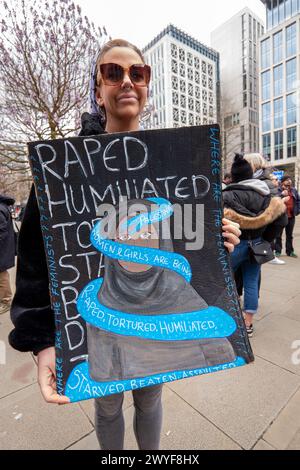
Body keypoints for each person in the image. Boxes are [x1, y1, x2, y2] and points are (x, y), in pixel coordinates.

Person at [9, 39, 241, 450]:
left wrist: (219, 245)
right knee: (108, 406)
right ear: (98, 90)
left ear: (148, 85)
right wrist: (43, 340)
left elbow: (194, 251)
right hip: (106, 316)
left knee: (151, 397)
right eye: (112, 73)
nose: (127, 81)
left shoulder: (175, 162)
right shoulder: (62, 165)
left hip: (161, 304)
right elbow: (33, 260)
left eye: (139, 72)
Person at [223, 154, 286, 337]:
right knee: (252, 282)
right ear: (251, 174)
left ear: (233, 177)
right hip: (257, 245)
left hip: (233, 244)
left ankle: (228, 317)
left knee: (226, 280)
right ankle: (248, 324)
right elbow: (281, 219)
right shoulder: (265, 193)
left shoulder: (227, 195)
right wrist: (266, 239)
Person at [244, 153, 288, 265]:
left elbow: (280, 218)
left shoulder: (264, 184)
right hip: (242, 241)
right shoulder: (248, 181)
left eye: (244, 164)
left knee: (249, 279)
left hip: (253, 241)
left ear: (252, 165)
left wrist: (263, 240)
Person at [275, 176, 300, 258]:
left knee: (289, 235)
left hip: (291, 215)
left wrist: (298, 210)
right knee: (278, 234)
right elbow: (274, 199)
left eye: (289, 180)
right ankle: (278, 251)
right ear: (282, 182)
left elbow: (298, 200)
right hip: (281, 216)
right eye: (287, 180)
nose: (289, 181)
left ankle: (290, 251)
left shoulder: (293, 190)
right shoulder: (278, 190)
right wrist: (281, 194)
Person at [0, 194, 15, 314]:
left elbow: (2, 231)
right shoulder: (2, 206)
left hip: (2, 248)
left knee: (2, 274)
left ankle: (6, 301)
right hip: (4, 247)